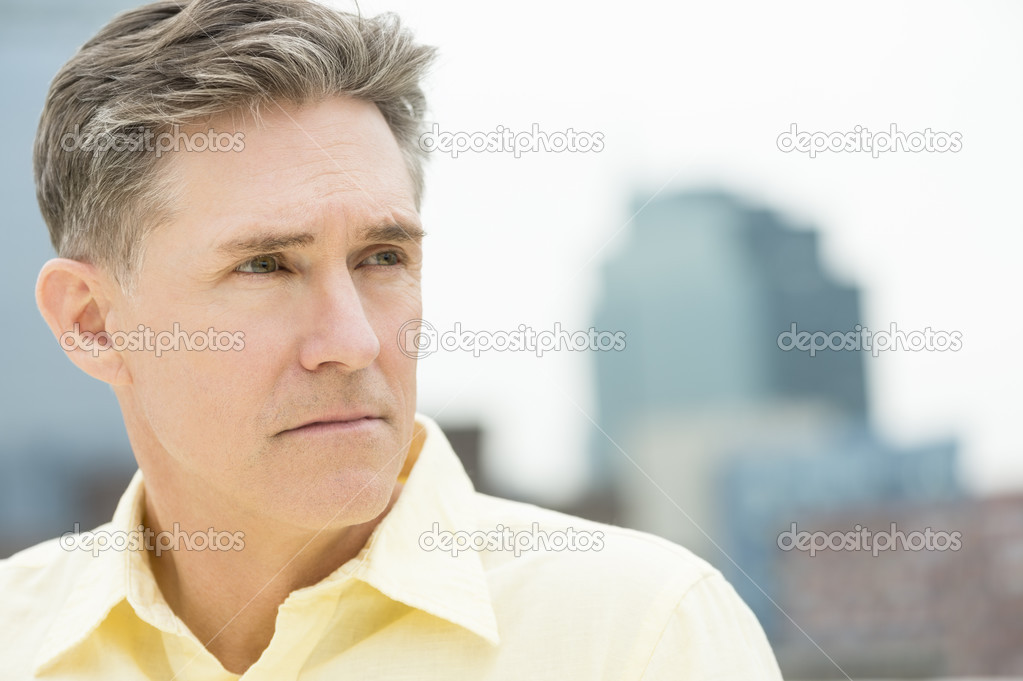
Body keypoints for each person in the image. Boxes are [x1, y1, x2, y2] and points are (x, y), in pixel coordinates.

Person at [2, 0, 783, 677]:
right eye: (266, 265)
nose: (353, 341)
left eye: (382, 257)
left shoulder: (641, 637)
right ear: (92, 322)